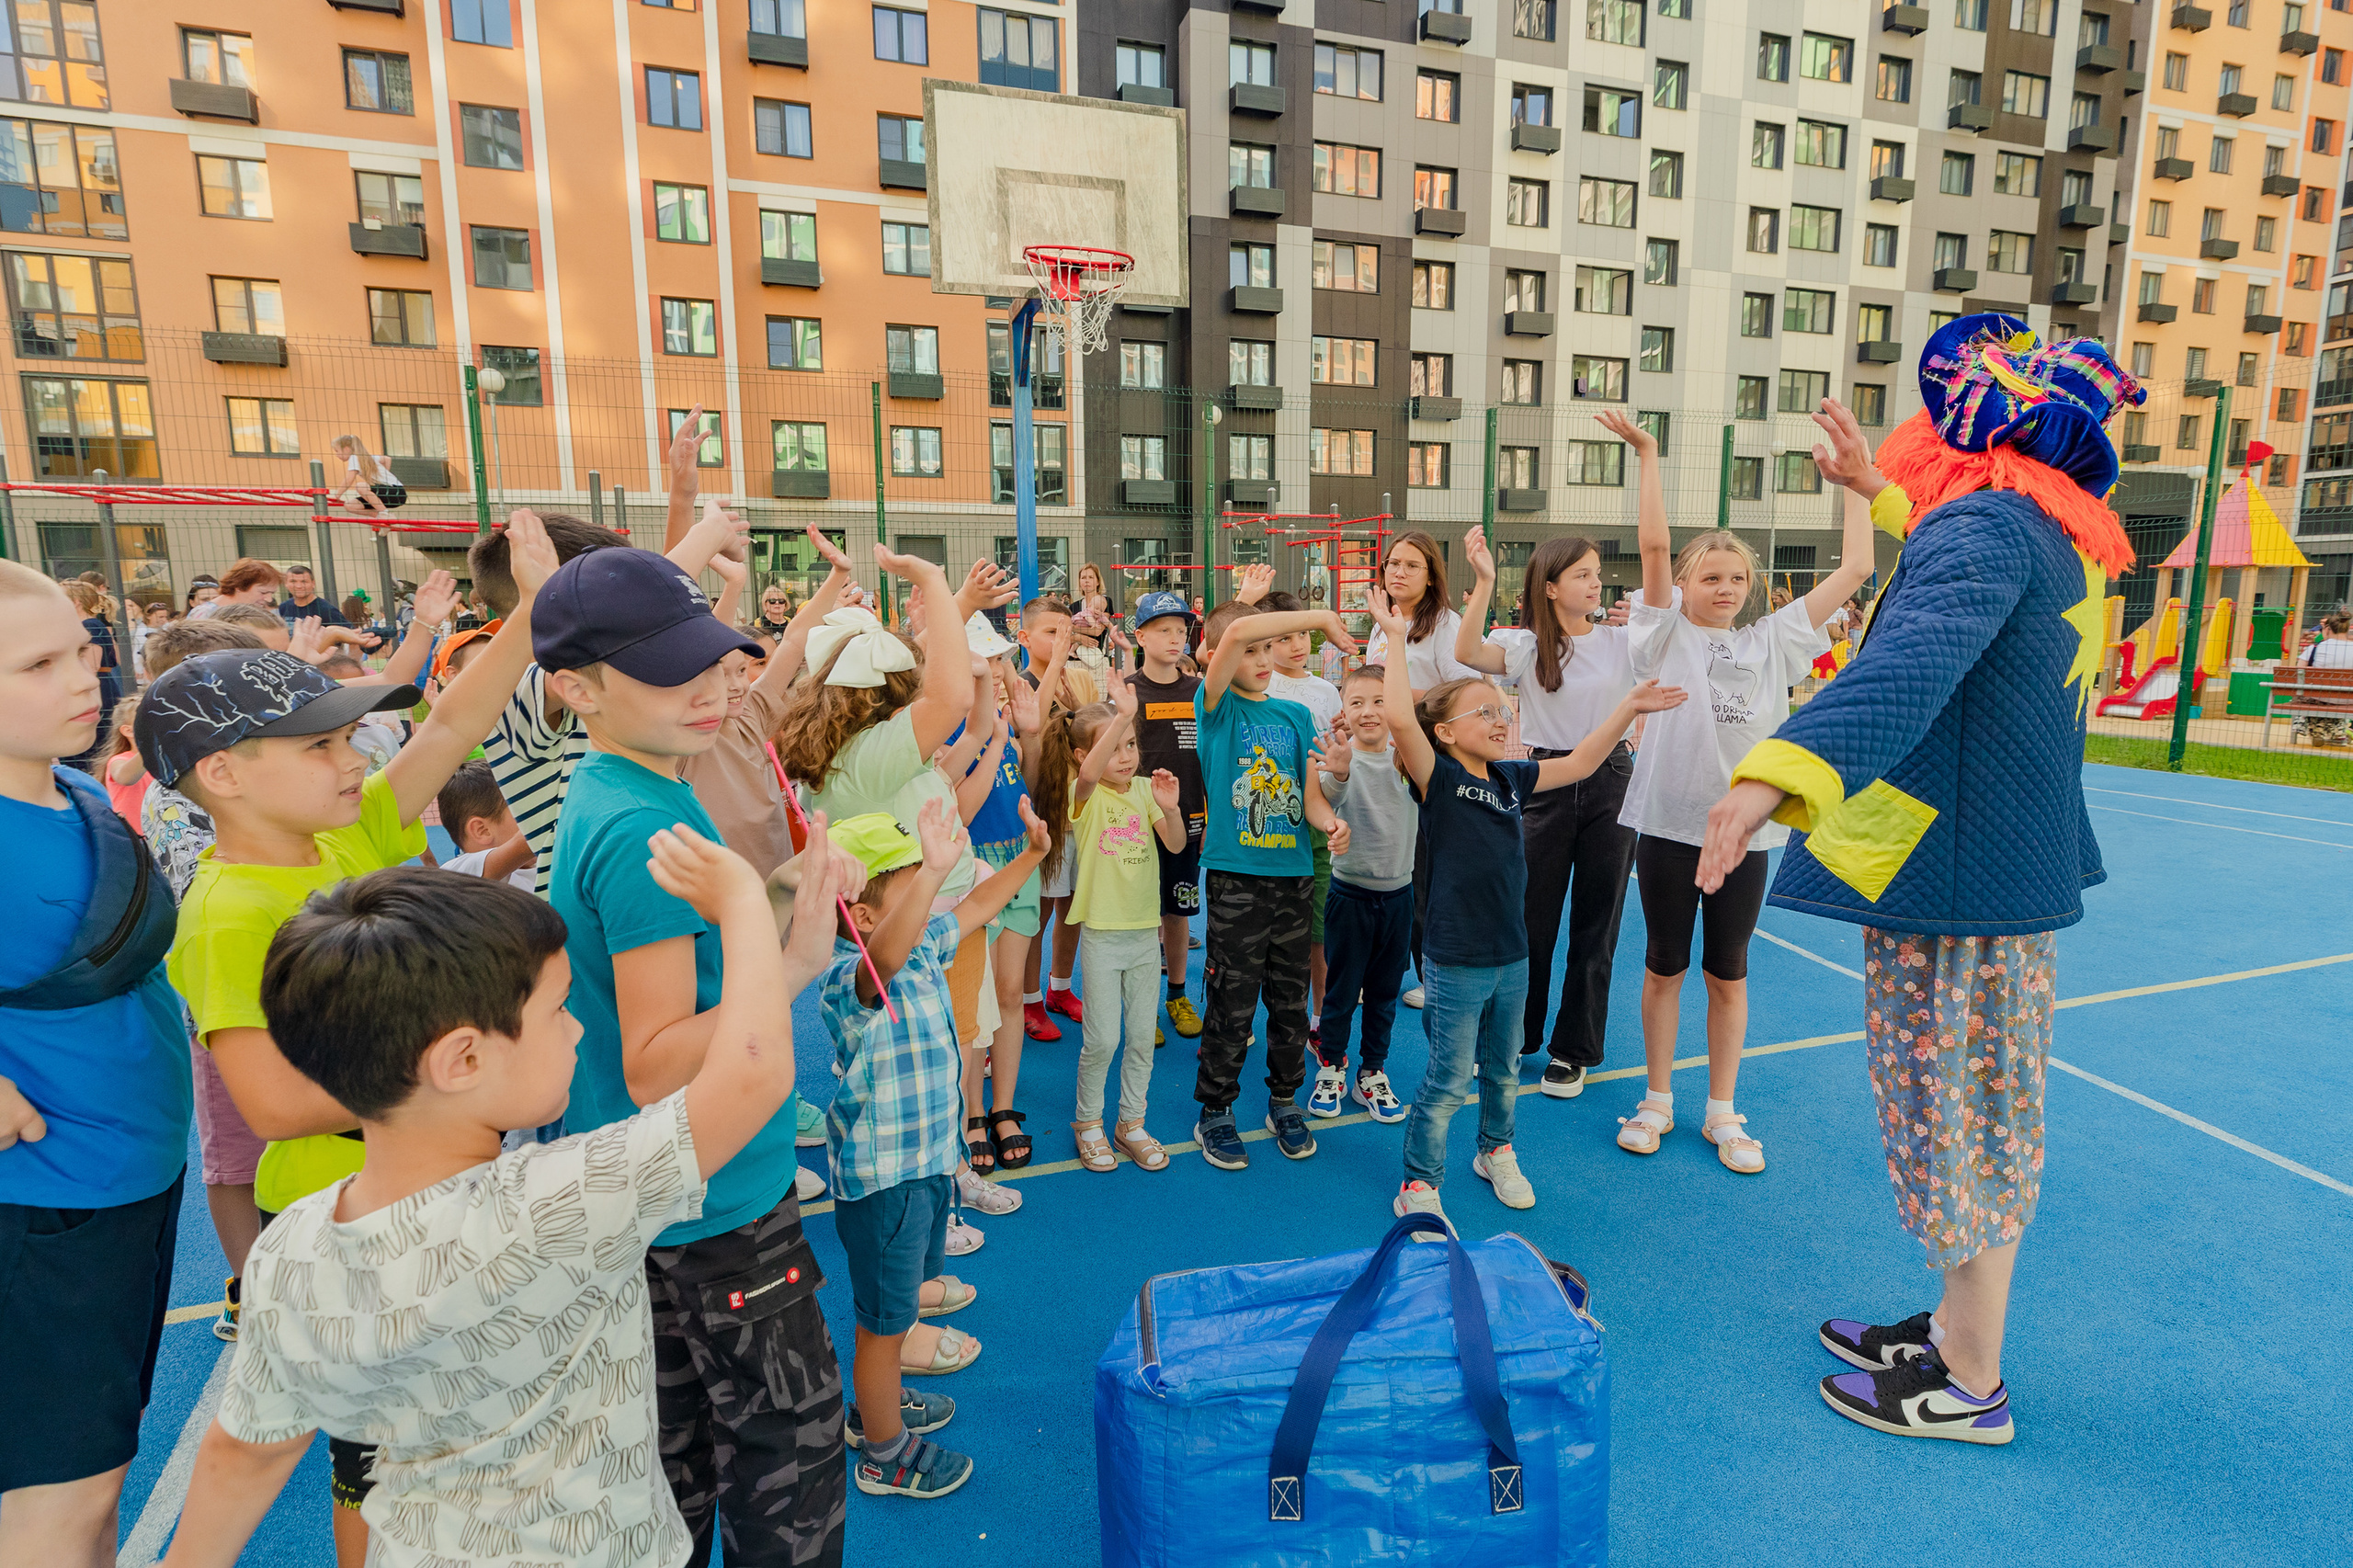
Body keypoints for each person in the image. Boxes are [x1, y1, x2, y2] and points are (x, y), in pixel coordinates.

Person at [160, 825, 842, 1567]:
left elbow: (244, 1456)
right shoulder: (567, 1198)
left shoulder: (290, 1250)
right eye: (557, 1010)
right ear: (463, 1059)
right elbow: (753, 1073)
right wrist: (743, 902)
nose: (577, 1030)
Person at [1700, 320, 2145, 1444]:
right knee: (1973, 1111)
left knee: (1958, 1119)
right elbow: (1957, 571)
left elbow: (1911, 658)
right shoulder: (2042, 526)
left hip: (1957, 884)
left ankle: (1970, 1380)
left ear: (1962, 434)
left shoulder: (1984, 526)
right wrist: (1873, 491)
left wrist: (1767, 776)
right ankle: (1953, 1329)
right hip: (1988, 875)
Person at [151, 514, 560, 1567]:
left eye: (348, 737)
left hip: (422, 1185)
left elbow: (449, 724)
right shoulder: (230, 909)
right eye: (322, 744)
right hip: (345, 1213)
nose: (353, 757)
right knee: (378, 1457)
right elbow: (275, 1103)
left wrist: (528, 609)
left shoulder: (338, 835)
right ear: (224, 774)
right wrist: (461, 1071)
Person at [533, 542, 851, 1564]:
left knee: (674, 1463)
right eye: (673, 670)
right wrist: (791, 956)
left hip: (653, 1191)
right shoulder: (640, 822)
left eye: (715, 659)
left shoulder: (626, 784)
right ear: (578, 688)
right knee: (785, 1458)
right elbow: (662, 1058)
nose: (712, 687)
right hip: (713, 1201)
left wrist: (769, 896)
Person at [1603, 404, 1873, 1176]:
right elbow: (1655, 546)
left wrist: (1857, 483)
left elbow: (1856, 570)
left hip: (1747, 836)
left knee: (1728, 970)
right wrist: (1647, 454)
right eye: (1710, 577)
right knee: (1664, 964)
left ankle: (1722, 1109)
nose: (1725, 588)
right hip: (1668, 826)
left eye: (1736, 579)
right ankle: (1657, 1098)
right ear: (1684, 585)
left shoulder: (1773, 641)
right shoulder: (1661, 633)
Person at [1368, 584, 1685, 1228]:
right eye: (1483, 712)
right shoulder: (1440, 779)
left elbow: (1584, 761)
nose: (1500, 718)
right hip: (1456, 960)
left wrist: (1628, 707)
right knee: (1447, 1080)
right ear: (1446, 733)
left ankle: (1496, 1150)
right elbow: (1402, 720)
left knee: (1503, 1070)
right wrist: (1396, 641)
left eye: (1502, 709)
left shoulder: (1512, 778)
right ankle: (1419, 1183)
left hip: (1512, 957)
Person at [0, 562, 188, 1568]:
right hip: (45, 1205)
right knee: (57, 1500)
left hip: (129, 1182)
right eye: (38, 664)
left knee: (94, 1480)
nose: (85, 677)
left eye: (84, 649)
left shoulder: (74, 790)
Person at [776, 556, 1024, 1234]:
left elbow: (948, 703)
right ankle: (930, 1199)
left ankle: (945, 1175)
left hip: (922, 919)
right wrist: (938, 586)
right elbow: (946, 697)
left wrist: (957, 607)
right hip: (919, 928)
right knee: (928, 1067)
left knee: (940, 1057)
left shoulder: (858, 750)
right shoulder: (874, 753)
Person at [821, 801, 1044, 1500]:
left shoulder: (920, 949)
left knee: (896, 1314)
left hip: (922, 1172)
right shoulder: (851, 977)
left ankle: (875, 1409)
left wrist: (1033, 856)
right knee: (882, 1327)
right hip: (885, 1182)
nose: (931, 897)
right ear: (861, 915)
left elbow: (976, 907)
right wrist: (932, 872)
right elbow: (882, 957)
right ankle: (884, 1454)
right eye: (912, 886)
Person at [1453, 526, 1638, 1100]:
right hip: (1545, 782)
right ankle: (1512, 1037)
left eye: (1597, 574)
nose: (1596, 583)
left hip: (1612, 780)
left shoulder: (1623, 640)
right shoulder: (1526, 645)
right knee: (1527, 919)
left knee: (1596, 923)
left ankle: (1573, 1050)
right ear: (1551, 587)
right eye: (1582, 574)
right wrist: (1485, 580)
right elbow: (1465, 651)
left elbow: (1673, 610)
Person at [135, 619, 271, 1341]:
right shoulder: (176, 794)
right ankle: (251, 1285)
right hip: (226, 1006)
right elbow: (201, 885)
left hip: (295, 995)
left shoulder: (255, 769)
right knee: (236, 1157)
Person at [1191, 597, 1355, 1171]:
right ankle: (1215, 1110)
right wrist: (1319, 619)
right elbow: (1237, 627)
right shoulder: (1215, 707)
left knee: (1289, 1003)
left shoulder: (1295, 717)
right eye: (1252, 651)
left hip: (1294, 879)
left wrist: (1332, 821)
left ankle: (1284, 1101)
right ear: (1220, 654)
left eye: (1271, 649)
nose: (1263, 659)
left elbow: (1310, 801)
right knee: (1231, 1001)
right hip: (1236, 880)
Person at [1051, 686, 1187, 1173]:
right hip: (1103, 936)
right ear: (1084, 755)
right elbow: (1091, 775)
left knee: (1140, 1037)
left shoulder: (1146, 790)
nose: (1126, 756)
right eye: (1114, 747)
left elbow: (1175, 845)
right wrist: (1121, 715)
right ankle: (1088, 1122)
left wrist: (1171, 809)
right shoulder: (1082, 795)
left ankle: (1131, 1123)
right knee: (1103, 1039)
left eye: (1131, 744)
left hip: (1144, 933)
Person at [1362, 531, 1480, 1013]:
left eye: (1412, 565)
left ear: (1431, 576)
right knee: (1383, 873)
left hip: (1427, 767)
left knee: (1424, 879)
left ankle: (1435, 975)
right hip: (1381, 764)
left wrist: (1391, 696)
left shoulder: (1446, 625)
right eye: (1393, 563)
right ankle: (1384, 970)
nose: (1399, 572)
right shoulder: (1383, 623)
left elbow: (1462, 694)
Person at [1306, 664, 1415, 1124]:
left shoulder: (1409, 760)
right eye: (1357, 702)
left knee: (1385, 993)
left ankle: (1372, 1072)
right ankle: (1331, 1066)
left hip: (1399, 897)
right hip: (1349, 896)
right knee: (1341, 992)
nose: (1369, 711)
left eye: (1380, 701)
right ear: (1343, 712)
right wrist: (1340, 772)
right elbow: (1330, 795)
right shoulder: (1340, 759)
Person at [1123, 591, 1208, 1046]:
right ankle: (1142, 1005)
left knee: (1177, 912)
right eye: (1164, 630)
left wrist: (1210, 813)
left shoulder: (1199, 691)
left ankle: (1177, 994)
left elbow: (1210, 758)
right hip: (1136, 823)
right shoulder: (1127, 691)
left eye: (1181, 630)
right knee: (1140, 915)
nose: (1176, 638)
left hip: (1187, 820)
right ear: (1140, 636)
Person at [1011, 595, 1094, 1040]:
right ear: (1024, 637)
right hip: (1042, 821)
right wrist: (1057, 663)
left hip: (1081, 816)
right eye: (1052, 632)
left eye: (1067, 632)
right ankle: (1029, 999)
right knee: (1037, 915)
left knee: (1073, 910)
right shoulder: (1016, 685)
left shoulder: (1078, 679)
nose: (1063, 640)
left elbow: (1092, 737)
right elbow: (1030, 736)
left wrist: (1080, 706)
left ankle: (1060, 987)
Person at [434, 759, 534, 889]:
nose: (535, 817)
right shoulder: (458, 872)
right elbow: (523, 844)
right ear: (482, 830)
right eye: (525, 812)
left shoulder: (540, 866)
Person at [61, 581, 119, 759]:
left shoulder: (90, 626)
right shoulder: (91, 625)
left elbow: (91, 667)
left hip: (98, 690)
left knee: (95, 748)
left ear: (76, 602)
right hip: (101, 687)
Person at [2294, 606, 2353, 744]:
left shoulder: (2315, 648)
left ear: (2327, 630)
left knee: (2308, 696)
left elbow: (2299, 672)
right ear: (2347, 629)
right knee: (2336, 698)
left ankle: (2317, 730)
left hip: (2319, 696)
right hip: (2349, 698)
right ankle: (2337, 733)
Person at [97, 695, 147, 823]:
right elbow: (125, 778)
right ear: (129, 731)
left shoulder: (166, 760)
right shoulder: (119, 760)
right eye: (148, 719)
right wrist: (151, 744)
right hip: (132, 833)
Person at [328, 434, 405, 515]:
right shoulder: (366, 458)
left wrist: (337, 495)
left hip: (396, 492)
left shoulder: (354, 458)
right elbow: (387, 459)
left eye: (337, 451)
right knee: (349, 505)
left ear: (346, 449)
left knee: (361, 486)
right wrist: (383, 477)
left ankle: (384, 513)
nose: (336, 455)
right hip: (388, 494)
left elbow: (348, 480)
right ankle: (380, 516)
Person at [275, 565, 351, 629]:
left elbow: (350, 632)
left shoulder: (326, 609)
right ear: (286, 584)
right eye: (293, 581)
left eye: (304, 582)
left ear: (313, 584)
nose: (299, 586)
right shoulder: (283, 607)